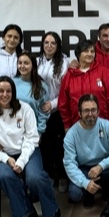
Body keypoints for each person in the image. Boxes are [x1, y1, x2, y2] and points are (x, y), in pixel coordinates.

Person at [0, 77, 60, 217]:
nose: (5, 94)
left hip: (28, 152)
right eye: (1, 91)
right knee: (4, 176)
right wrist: (7, 159)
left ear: (13, 92)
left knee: (35, 177)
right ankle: (29, 213)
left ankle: (52, 209)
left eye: (8, 91)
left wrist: (22, 160)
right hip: (3, 155)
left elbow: (32, 138)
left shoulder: (25, 109)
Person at [63, 94, 109, 217]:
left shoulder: (107, 126)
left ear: (98, 111)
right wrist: (85, 183)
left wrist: (101, 166)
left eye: (93, 110)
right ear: (79, 113)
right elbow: (69, 164)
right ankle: (89, 191)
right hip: (84, 169)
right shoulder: (71, 134)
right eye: (86, 110)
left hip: (104, 166)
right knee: (75, 194)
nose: (90, 114)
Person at [58, 39, 109, 130]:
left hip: (102, 125)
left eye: (92, 51)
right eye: (86, 51)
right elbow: (63, 104)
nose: (90, 54)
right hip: (77, 126)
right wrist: (67, 124)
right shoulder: (69, 76)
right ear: (79, 54)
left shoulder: (104, 72)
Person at [37, 32, 70, 192]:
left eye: (53, 43)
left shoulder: (64, 63)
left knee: (60, 146)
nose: (49, 46)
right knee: (45, 146)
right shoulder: (37, 61)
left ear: (57, 46)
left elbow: (65, 90)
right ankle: (49, 175)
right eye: (46, 43)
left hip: (57, 111)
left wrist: (54, 104)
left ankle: (63, 177)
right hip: (40, 112)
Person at [14, 51, 49, 135]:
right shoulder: (11, 83)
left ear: (33, 65)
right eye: (20, 63)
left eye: (26, 63)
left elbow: (43, 112)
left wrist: (39, 132)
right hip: (13, 131)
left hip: (32, 131)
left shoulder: (41, 86)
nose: (22, 66)